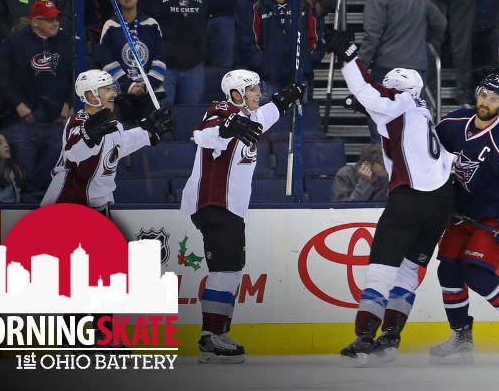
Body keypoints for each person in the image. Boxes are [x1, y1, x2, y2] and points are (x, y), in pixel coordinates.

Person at [326, 31, 454, 368]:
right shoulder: (422, 110)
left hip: (409, 200)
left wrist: (350, 57)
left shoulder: (397, 103)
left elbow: (368, 91)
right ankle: (391, 336)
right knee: (409, 271)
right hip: (441, 202)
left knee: (381, 271)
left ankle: (365, 336)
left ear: (396, 89)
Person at [179, 69, 302, 363]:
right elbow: (201, 135)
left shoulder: (250, 116)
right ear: (236, 94)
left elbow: (266, 115)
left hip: (227, 207)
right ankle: (212, 338)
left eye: (259, 88)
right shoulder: (221, 112)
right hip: (215, 203)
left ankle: (213, 336)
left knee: (229, 271)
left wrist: (286, 99)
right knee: (225, 272)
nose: (259, 92)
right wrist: (226, 129)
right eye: (252, 89)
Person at [430, 74, 499, 364]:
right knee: (448, 271)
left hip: (492, 219)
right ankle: (461, 335)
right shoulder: (453, 124)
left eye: (494, 99)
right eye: (483, 95)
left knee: (476, 273)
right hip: (459, 216)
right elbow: (428, 156)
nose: (486, 102)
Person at [40, 69, 175, 213]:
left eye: (113, 88)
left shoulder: (113, 124)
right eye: (107, 89)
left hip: (101, 203)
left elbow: (120, 145)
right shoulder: (77, 122)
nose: (114, 94)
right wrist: (89, 136)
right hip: (68, 202)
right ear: (91, 96)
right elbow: (74, 153)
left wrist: (149, 129)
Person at [360, 0, 446, 142]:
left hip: (386, 68)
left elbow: (371, 37)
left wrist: (361, 66)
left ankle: (384, 164)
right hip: (417, 68)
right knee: (414, 119)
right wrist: (426, 44)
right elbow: (440, 23)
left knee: (380, 118)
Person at [0, 0, 74, 194]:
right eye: (50, 20)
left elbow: (76, 74)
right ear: (35, 22)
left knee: (52, 173)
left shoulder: (65, 40)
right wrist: (17, 103)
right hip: (23, 122)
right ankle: (28, 210)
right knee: (26, 173)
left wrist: (68, 102)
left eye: (56, 19)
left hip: (56, 121)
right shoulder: (15, 41)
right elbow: (0, 76)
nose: (55, 23)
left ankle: (43, 209)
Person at [137, 0, 213, 105]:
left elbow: (207, 16)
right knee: (162, 117)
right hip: (163, 66)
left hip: (194, 64)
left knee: (192, 117)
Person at [249, 0, 323, 95]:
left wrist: (307, 61)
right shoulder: (256, 5)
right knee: (270, 116)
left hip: (299, 75)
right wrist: (262, 65)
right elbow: (250, 40)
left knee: (301, 116)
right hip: (269, 76)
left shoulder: (303, 2)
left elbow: (316, 34)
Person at [96, 0, 168, 125]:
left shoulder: (151, 24)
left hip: (150, 93)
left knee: (151, 137)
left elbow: (160, 58)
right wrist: (128, 86)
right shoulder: (110, 26)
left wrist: (147, 85)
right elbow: (106, 60)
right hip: (120, 95)